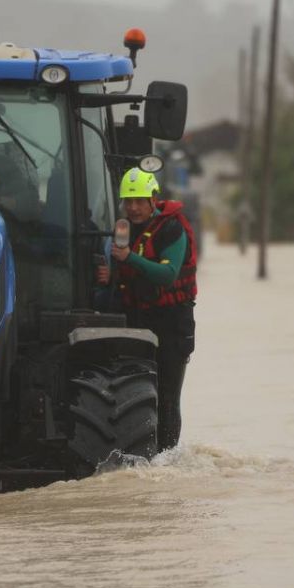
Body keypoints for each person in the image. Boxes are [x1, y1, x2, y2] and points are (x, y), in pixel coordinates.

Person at [96, 168, 198, 451]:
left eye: (140, 201)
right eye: (128, 201)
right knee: (131, 393)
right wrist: (110, 276)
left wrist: (129, 258)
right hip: (137, 319)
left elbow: (167, 275)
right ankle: (138, 455)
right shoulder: (123, 230)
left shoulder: (172, 228)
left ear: (153, 199)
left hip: (172, 323)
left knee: (166, 396)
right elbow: (125, 276)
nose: (133, 208)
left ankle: (165, 459)